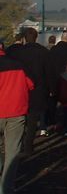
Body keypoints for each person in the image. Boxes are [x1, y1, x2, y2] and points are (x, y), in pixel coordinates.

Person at [6, 27, 50, 152]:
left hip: (21, 88)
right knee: (33, 118)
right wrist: (51, 88)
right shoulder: (44, 52)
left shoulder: (17, 53)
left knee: (21, 118)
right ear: (36, 37)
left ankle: (20, 142)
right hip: (38, 89)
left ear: (24, 38)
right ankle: (28, 145)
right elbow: (49, 72)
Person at [0, 46, 33, 193]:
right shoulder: (18, 64)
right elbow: (31, 84)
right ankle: (5, 188)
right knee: (12, 151)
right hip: (15, 111)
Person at [45, 32, 67, 131]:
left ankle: (52, 120)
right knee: (66, 100)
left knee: (53, 100)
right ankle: (66, 122)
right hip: (66, 77)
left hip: (54, 77)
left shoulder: (54, 49)